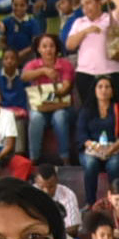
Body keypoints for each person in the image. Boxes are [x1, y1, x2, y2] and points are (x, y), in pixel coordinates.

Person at [23, 30, 75, 163]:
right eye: (44, 46)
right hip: (40, 108)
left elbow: (66, 87)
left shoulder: (65, 64)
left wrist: (49, 96)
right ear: (39, 49)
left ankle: (65, 158)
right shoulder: (33, 64)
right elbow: (24, 76)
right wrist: (43, 71)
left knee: (60, 117)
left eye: (51, 46)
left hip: (60, 106)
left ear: (56, 48)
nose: (48, 49)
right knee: (35, 118)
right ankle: (34, 159)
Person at [79, 75, 119, 208]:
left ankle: (115, 202)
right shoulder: (87, 109)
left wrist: (110, 149)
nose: (104, 90)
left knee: (114, 165)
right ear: (94, 90)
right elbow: (82, 136)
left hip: (114, 149)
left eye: (107, 87)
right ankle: (90, 203)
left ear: (112, 91)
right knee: (90, 164)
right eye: (100, 87)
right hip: (92, 150)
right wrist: (96, 147)